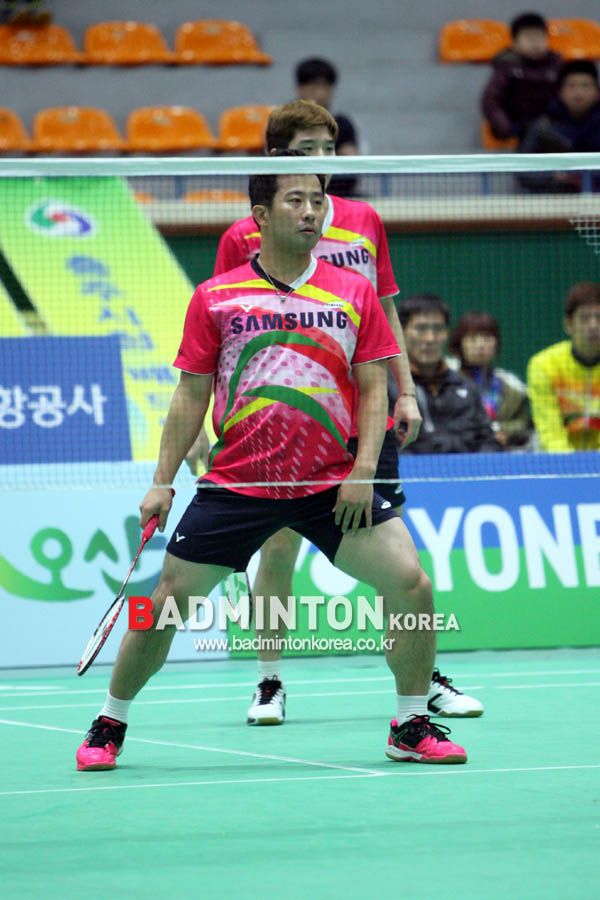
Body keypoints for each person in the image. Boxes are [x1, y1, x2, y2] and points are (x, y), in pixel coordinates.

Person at [75, 158, 469, 771]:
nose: (311, 211)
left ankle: (411, 722)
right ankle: (110, 721)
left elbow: (373, 390)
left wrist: (363, 469)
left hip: (330, 482)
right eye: (295, 200)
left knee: (411, 583)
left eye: (317, 200)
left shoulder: (354, 291)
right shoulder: (216, 298)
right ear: (260, 215)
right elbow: (190, 395)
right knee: (168, 601)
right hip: (240, 481)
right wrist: (161, 482)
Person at [204, 100, 482, 725]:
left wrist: (405, 390)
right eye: (305, 150)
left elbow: (384, 309)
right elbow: (227, 332)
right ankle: (269, 680)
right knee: (277, 549)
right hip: (285, 423)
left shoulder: (363, 221)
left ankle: (422, 680)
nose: (320, 162)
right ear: (275, 158)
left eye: (328, 150)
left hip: (366, 414)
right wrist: (220, 422)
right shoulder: (243, 235)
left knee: (396, 558)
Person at [399, 295, 504, 455]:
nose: (430, 338)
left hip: (467, 469)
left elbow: (489, 441)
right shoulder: (387, 389)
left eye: (438, 329)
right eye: (421, 329)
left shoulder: (467, 388)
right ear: (401, 332)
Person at [527, 282, 600, 451]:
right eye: (584, 318)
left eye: (599, 318)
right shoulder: (544, 365)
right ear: (568, 325)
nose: (593, 325)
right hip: (557, 460)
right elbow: (549, 429)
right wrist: (569, 463)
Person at [448, 312, 531, 448]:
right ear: (459, 344)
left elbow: (522, 423)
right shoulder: (446, 384)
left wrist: (503, 431)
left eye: (487, 338)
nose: (480, 345)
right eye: (472, 338)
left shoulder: (512, 387)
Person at [519, 60, 600, 193]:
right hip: (555, 200)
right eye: (571, 86)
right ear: (560, 91)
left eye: (585, 86)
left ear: (597, 92)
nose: (578, 93)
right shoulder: (542, 127)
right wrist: (554, 176)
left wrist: (582, 176)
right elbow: (523, 173)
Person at [481, 12, 562, 141]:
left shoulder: (556, 64)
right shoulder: (507, 65)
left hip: (552, 121)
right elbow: (491, 100)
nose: (536, 42)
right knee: (536, 130)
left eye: (540, 37)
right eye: (529, 37)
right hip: (518, 123)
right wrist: (504, 126)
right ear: (514, 43)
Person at [295, 57, 359, 197]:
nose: (321, 94)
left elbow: (350, 167)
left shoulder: (342, 124)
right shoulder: (285, 122)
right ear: (300, 88)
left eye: (326, 87)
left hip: (337, 194)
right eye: (314, 87)